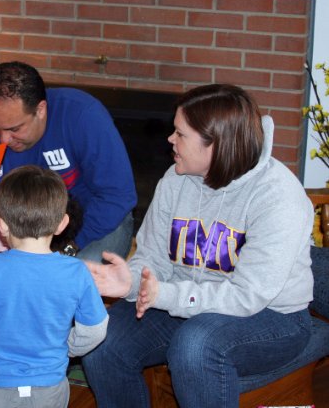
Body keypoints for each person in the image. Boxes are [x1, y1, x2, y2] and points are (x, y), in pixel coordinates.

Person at [81, 84, 314, 408]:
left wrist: (167, 295)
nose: (170, 140)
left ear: (216, 145)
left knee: (196, 345)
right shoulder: (175, 179)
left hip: (273, 316)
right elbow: (152, 258)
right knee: (104, 341)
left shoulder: (277, 197)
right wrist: (130, 282)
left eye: (180, 134)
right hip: (188, 299)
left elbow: (248, 296)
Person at [0, 61, 137, 288]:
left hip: (94, 224)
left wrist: (63, 251)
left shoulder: (83, 115)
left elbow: (117, 196)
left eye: (14, 129)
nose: (3, 140)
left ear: (40, 110)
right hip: (28, 235)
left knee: (65, 284)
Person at [0, 165, 109, 408]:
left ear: (1, 224)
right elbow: (96, 328)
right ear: (62, 224)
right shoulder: (77, 272)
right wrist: (70, 348)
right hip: (50, 387)